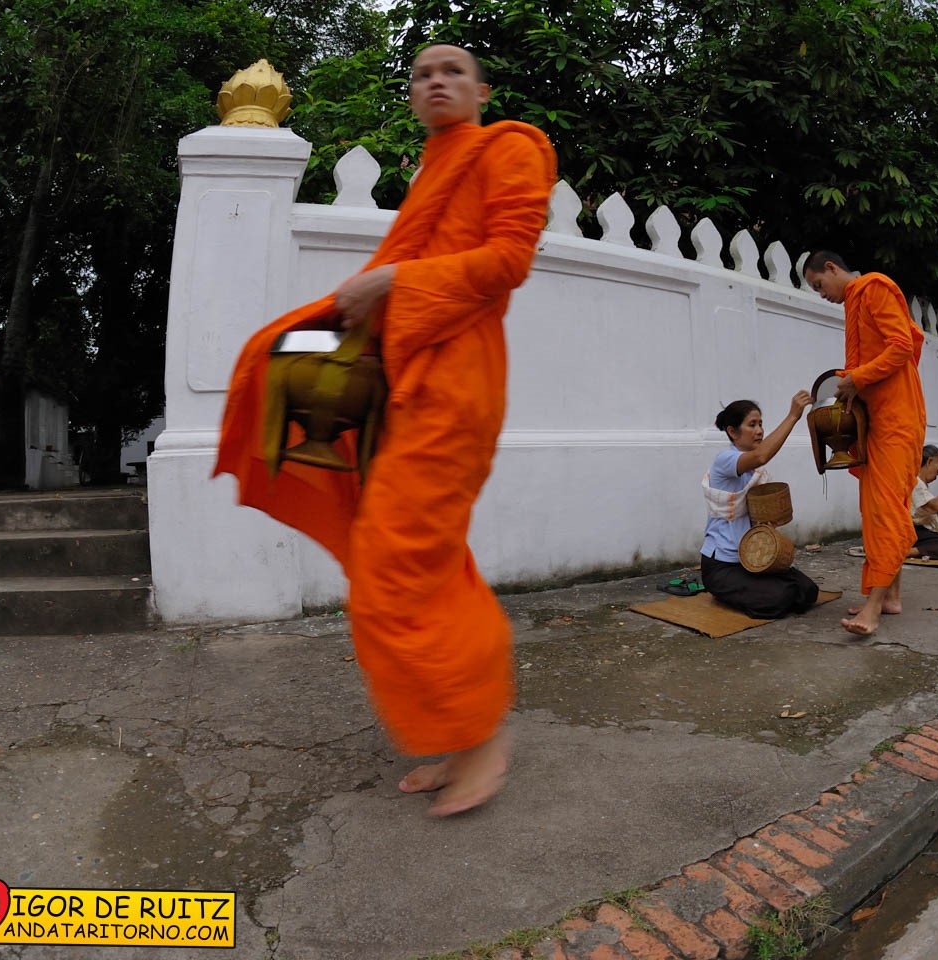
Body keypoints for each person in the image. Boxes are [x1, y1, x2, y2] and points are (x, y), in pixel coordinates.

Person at [215, 44, 557, 817]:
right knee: (423, 561)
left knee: (395, 567)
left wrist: (394, 280)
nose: (435, 80)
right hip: (405, 387)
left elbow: (508, 259)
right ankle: (459, 729)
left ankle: (481, 735)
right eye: (422, 74)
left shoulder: (510, 147)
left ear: (481, 88)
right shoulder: (436, 164)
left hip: (459, 389)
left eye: (453, 71)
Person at [804, 251, 925, 636]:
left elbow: (902, 346)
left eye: (819, 285)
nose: (821, 294)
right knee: (881, 511)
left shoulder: (874, 288)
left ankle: (872, 608)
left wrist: (857, 378)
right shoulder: (855, 301)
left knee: (887, 511)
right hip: (877, 420)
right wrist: (851, 384)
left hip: (897, 419)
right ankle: (890, 596)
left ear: (831, 268)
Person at [700, 395, 820, 617]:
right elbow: (762, 455)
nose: (759, 430)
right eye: (752, 425)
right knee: (779, 598)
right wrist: (793, 416)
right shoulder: (725, 459)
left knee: (808, 590)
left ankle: (743, 591)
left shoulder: (754, 470)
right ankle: (725, 590)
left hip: (752, 562)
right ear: (733, 432)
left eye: (760, 424)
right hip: (722, 566)